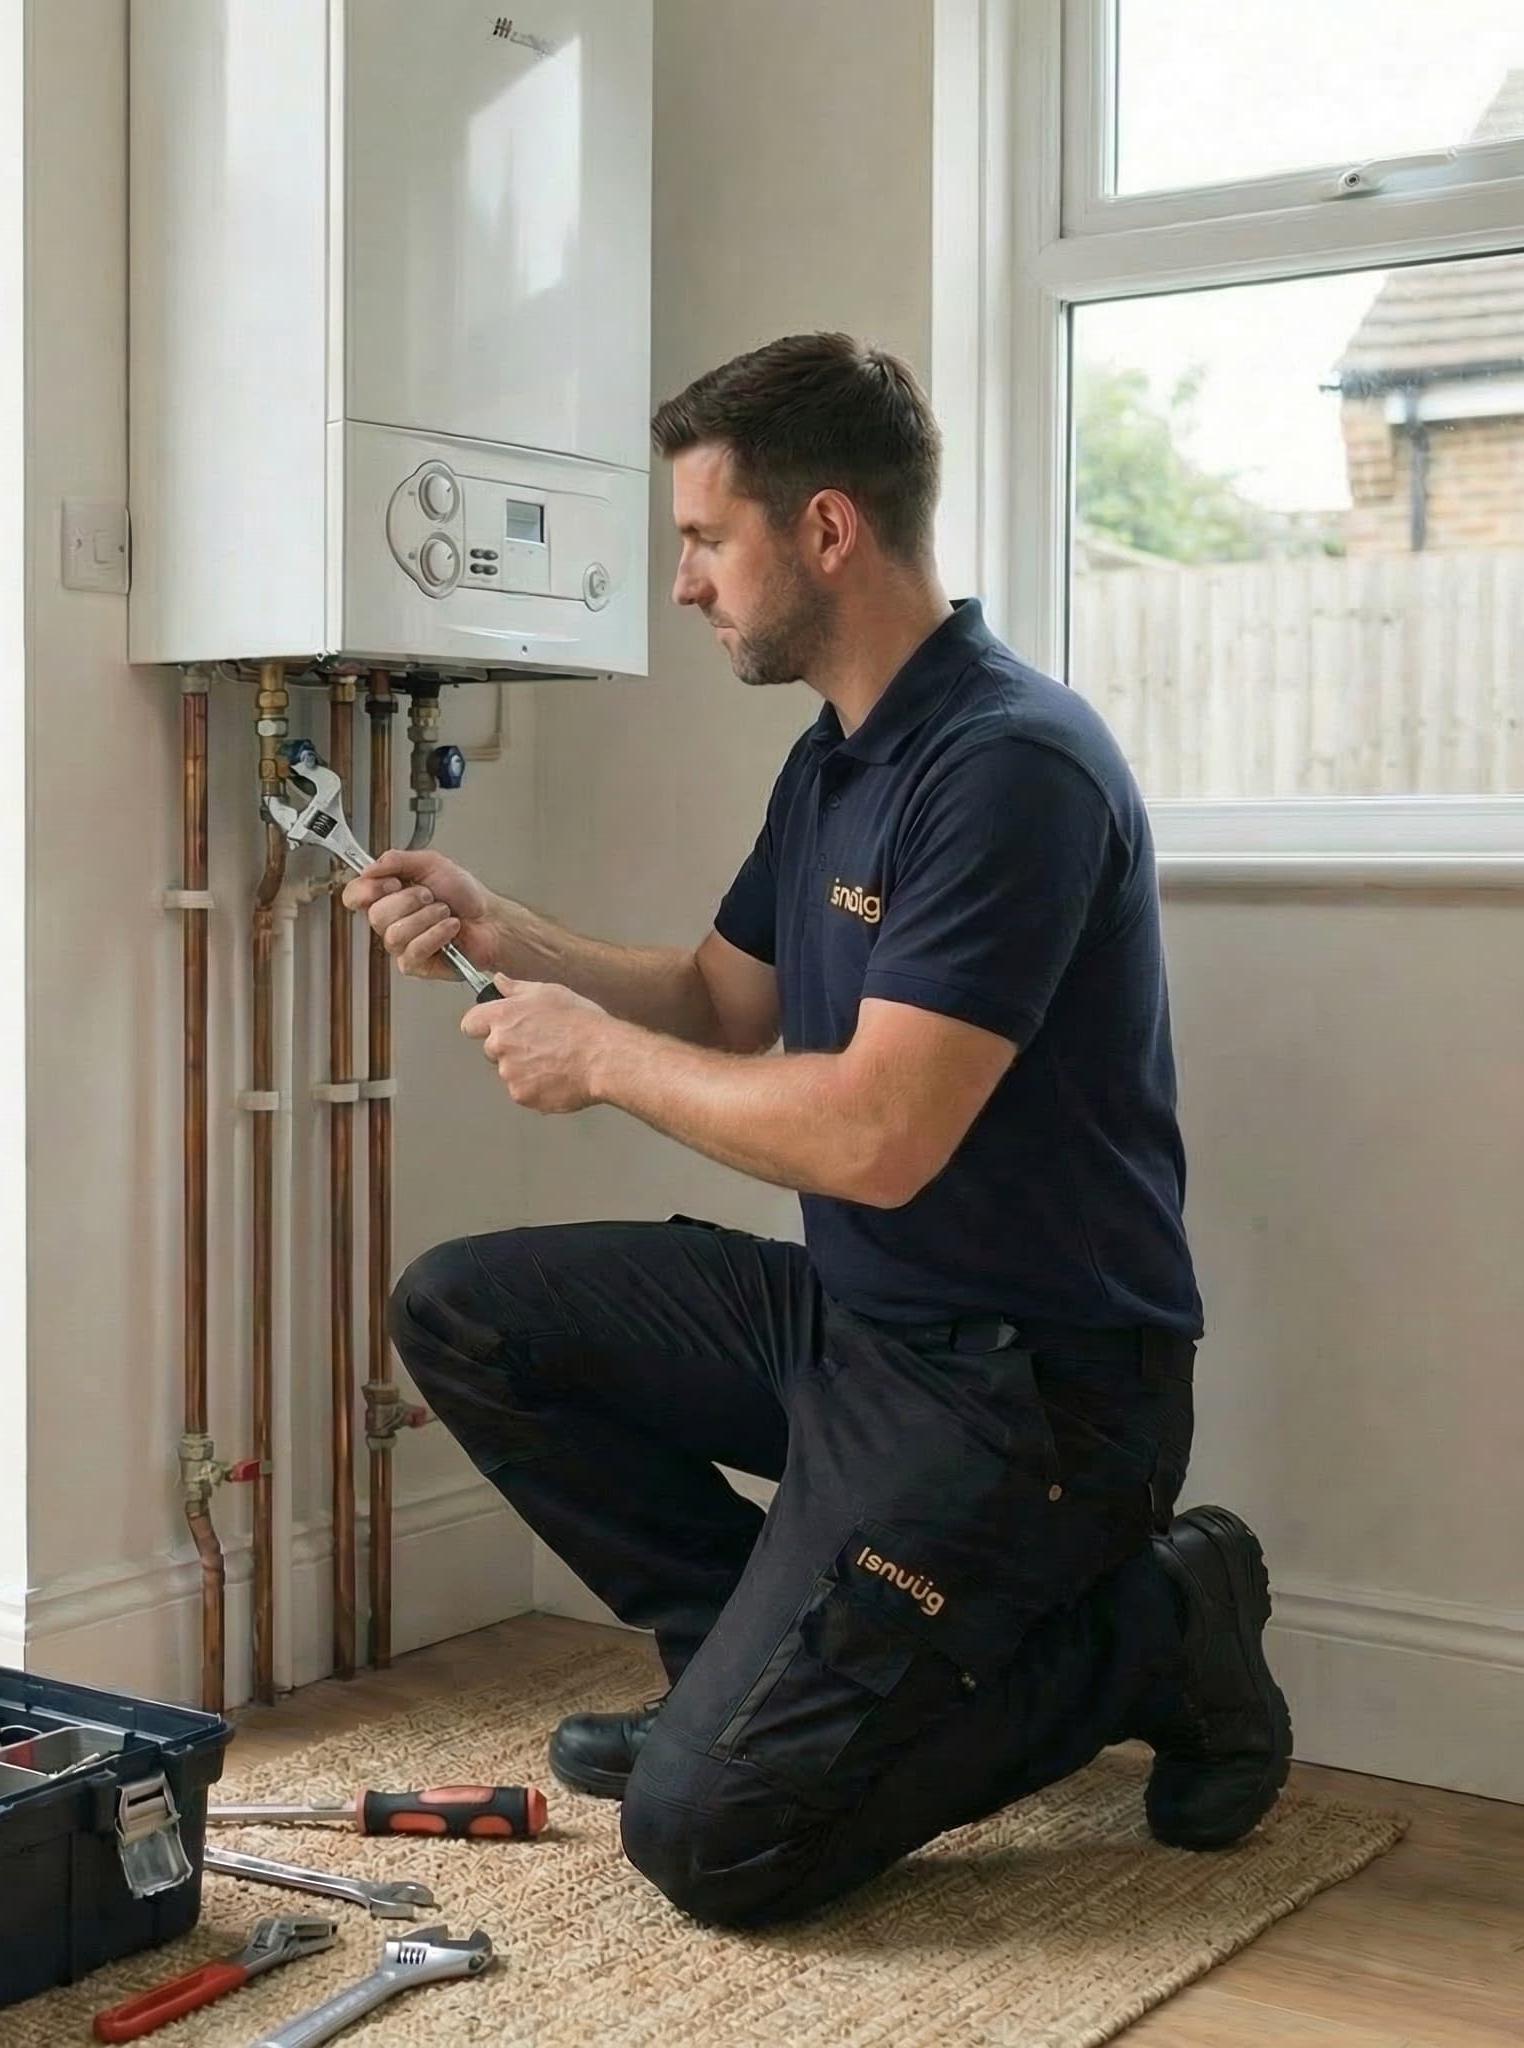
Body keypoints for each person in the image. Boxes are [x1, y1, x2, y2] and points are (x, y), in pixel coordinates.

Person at [345, 332, 1292, 1928]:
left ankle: (1159, 1624)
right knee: (464, 1312)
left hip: (1036, 1396)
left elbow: (876, 1138)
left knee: (713, 1843)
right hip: (861, 1324)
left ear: (828, 529)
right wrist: (509, 933)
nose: (684, 584)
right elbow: (724, 1003)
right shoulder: (837, 760)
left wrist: (599, 1062)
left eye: (706, 539)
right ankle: (735, 1658)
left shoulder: (1010, 769)